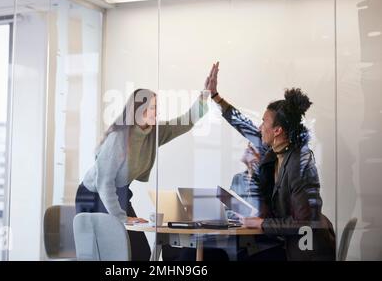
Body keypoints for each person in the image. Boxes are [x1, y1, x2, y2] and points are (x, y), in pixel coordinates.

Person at [206, 62, 336, 260]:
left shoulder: (300, 165)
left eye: (264, 122)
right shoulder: (273, 150)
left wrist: (261, 224)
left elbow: (305, 223)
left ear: (277, 130)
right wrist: (216, 96)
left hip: (304, 251)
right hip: (282, 242)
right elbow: (243, 124)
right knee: (217, 252)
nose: (259, 127)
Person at [75, 79, 211, 261]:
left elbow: (183, 123)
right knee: (116, 254)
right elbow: (104, 183)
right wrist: (121, 217)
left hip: (118, 194)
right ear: (140, 110)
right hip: (94, 197)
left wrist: (205, 95)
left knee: (140, 253)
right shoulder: (118, 138)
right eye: (154, 107)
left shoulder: (153, 133)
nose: (158, 111)